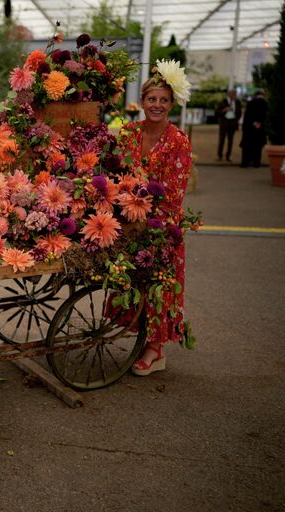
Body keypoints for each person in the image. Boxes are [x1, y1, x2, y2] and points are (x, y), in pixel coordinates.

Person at [118, 62, 194, 376]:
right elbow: (117, 171)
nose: (157, 105)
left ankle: (155, 350)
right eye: (152, 99)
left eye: (164, 100)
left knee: (158, 285)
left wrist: (144, 211)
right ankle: (140, 335)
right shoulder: (129, 132)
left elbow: (174, 192)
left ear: (172, 103)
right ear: (143, 100)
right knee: (133, 282)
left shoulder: (178, 141)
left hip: (160, 225)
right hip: (128, 218)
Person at [240, 89, 268, 168]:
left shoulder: (250, 103)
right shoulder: (265, 103)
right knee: (258, 147)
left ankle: (244, 163)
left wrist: (253, 123)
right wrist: (259, 123)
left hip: (249, 128)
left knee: (247, 146)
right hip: (260, 129)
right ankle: (256, 163)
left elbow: (247, 116)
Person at [215, 89, 242, 162]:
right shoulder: (223, 102)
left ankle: (228, 156)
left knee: (230, 141)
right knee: (222, 140)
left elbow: (239, 112)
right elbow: (217, 112)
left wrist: (236, 120)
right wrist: (223, 110)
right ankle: (219, 155)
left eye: (235, 94)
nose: (234, 96)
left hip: (232, 123)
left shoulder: (237, 102)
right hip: (224, 123)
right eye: (232, 94)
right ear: (229, 94)